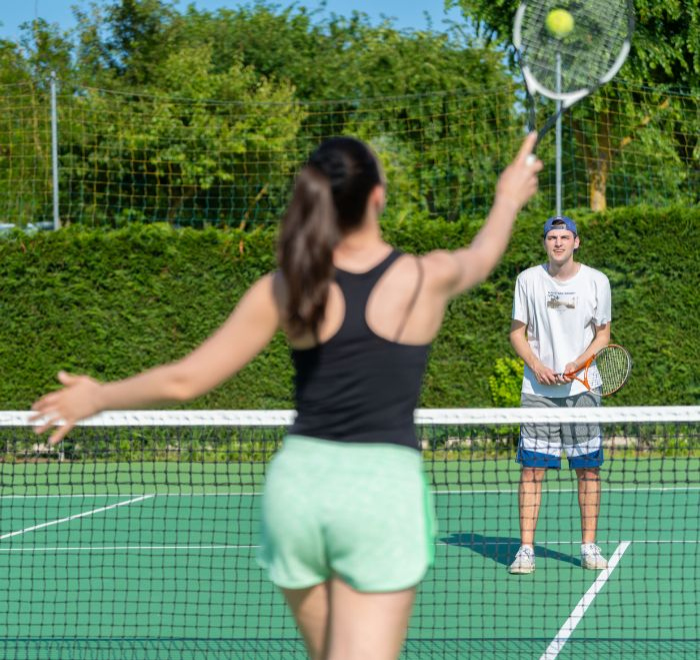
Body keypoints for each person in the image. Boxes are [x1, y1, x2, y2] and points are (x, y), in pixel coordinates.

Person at [32, 133, 541, 660]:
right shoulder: (424, 276)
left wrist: (97, 396)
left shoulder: (288, 285)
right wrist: (506, 198)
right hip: (381, 492)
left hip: (298, 489)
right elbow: (482, 255)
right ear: (378, 196)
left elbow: (185, 379)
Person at [508, 215, 612, 576]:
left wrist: (577, 364)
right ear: (545, 243)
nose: (558, 243)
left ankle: (588, 546)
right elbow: (517, 333)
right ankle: (525, 549)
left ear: (576, 242)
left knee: (588, 470)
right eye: (552, 237)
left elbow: (603, 336)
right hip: (537, 392)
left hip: (583, 389)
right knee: (532, 470)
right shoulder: (527, 281)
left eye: (564, 237)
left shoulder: (597, 282)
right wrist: (536, 365)